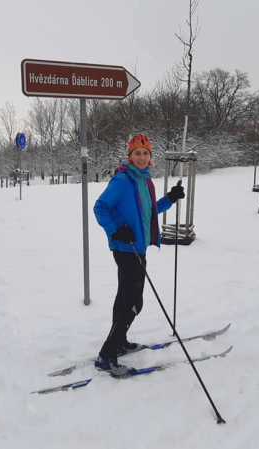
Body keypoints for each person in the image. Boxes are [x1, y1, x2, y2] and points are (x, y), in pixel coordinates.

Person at [93, 134, 185, 376]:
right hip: (126, 248)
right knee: (134, 303)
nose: (142, 158)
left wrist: (170, 199)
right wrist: (116, 230)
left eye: (146, 153)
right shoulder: (124, 180)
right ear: (130, 156)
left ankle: (119, 342)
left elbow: (150, 211)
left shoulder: (144, 181)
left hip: (138, 248)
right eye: (137, 153)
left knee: (124, 298)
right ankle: (107, 355)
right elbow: (100, 207)